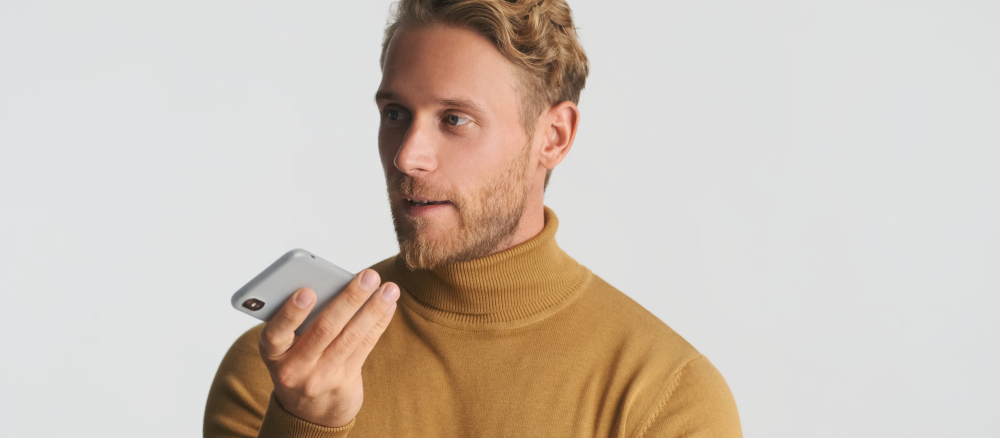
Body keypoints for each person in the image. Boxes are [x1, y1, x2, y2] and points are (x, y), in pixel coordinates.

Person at [204, 0, 742, 436]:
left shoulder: (664, 397)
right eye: (395, 114)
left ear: (553, 137)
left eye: (455, 119)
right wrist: (304, 425)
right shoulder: (281, 369)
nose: (407, 156)